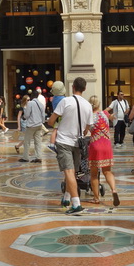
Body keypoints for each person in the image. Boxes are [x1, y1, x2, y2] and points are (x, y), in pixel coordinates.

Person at [47, 77, 94, 215]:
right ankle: (67, 198)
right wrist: (83, 131)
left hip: (64, 141)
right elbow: (88, 126)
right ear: (84, 89)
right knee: (72, 172)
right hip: (78, 142)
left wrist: (56, 123)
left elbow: (51, 121)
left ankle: (76, 205)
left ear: (73, 87)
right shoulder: (88, 105)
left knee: (68, 172)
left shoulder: (65, 101)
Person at [88, 96, 118, 205]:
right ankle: (114, 190)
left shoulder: (90, 117)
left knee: (94, 174)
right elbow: (111, 117)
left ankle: (96, 198)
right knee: (107, 171)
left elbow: (85, 130)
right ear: (99, 104)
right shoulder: (105, 114)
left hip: (95, 145)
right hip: (106, 144)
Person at [20, 92, 45, 163]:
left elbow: (27, 114)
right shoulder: (41, 104)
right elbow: (43, 115)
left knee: (27, 142)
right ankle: (38, 157)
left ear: (32, 96)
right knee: (38, 142)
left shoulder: (30, 103)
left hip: (31, 125)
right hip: (39, 125)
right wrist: (41, 122)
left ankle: (25, 157)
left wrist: (24, 118)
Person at [46, 81, 66, 154]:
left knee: (56, 129)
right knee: (55, 130)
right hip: (60, 116)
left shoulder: (54, 98)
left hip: (56, 115)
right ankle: (52, 144)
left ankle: (53, 143)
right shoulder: (63, 99)